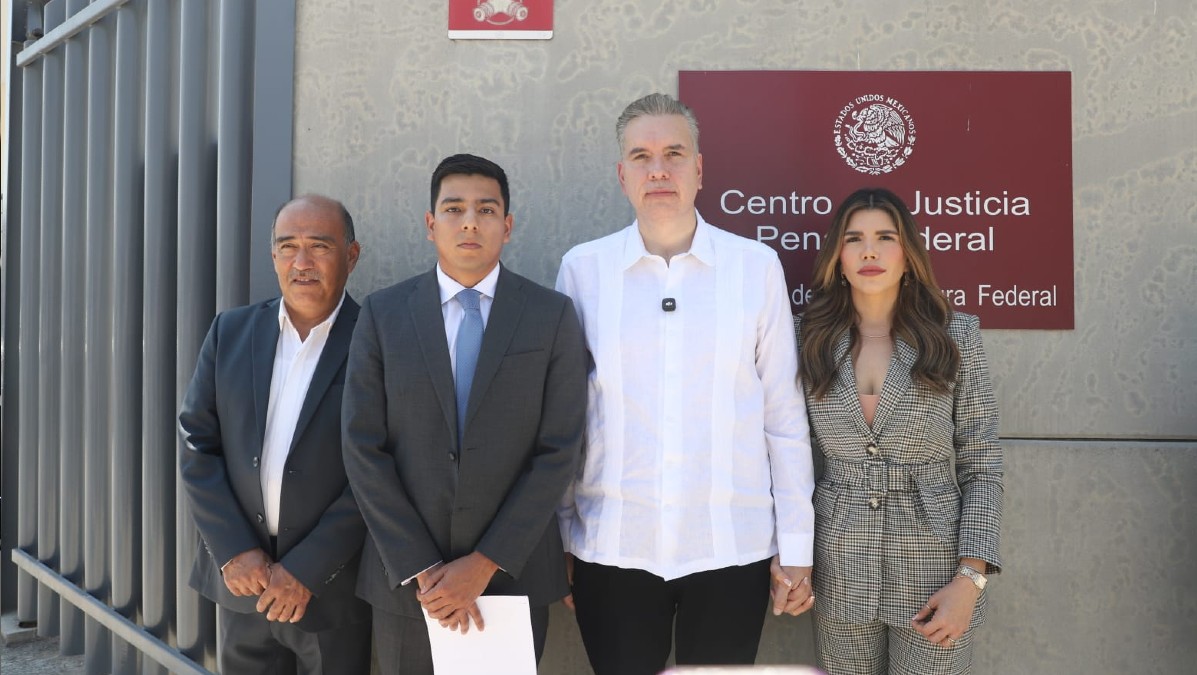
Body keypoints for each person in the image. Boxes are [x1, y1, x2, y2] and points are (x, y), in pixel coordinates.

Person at [555, 93, 816, 675]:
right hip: (612, 549)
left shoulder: (755, 267)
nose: (659, 169)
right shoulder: (582, 270)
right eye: (641, 156)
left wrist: (796, 547)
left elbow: (783, 415)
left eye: (674, 153)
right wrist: (562, 535)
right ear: (622, 175)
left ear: (700, 169)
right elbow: (566, 417)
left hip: (731, 549)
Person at [342, 153, 587, 674]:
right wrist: (424, 567)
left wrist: (484, 563)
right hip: (410, 584)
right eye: (453, 209)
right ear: (431, 225)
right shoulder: (384, 314)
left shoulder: (551, 314)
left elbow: (559, 449)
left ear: (508, 225)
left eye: (486, 209)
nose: (470, 221)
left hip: (511, 575)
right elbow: (362, 447)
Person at [795, 187, 1003, 675]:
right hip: (839, 565)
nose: (870, 251)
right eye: (855, 239)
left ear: (908, 254)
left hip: (936, 571)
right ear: (837, 258)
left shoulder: (956, 337)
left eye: (885, 237)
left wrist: (969, 581)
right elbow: (784, 453)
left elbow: (983, 465)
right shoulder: (806, 339)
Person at [178, 194, 371, 674]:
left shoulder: (378, 340)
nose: (301, 262)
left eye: (319, 246)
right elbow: (197, 443)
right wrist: (233, 550)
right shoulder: (232, 331)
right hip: (243, 586)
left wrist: (307, 568)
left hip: (332, 591)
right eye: (288, 247)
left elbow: (384, 467)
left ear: (351, 255)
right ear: (273, 257)